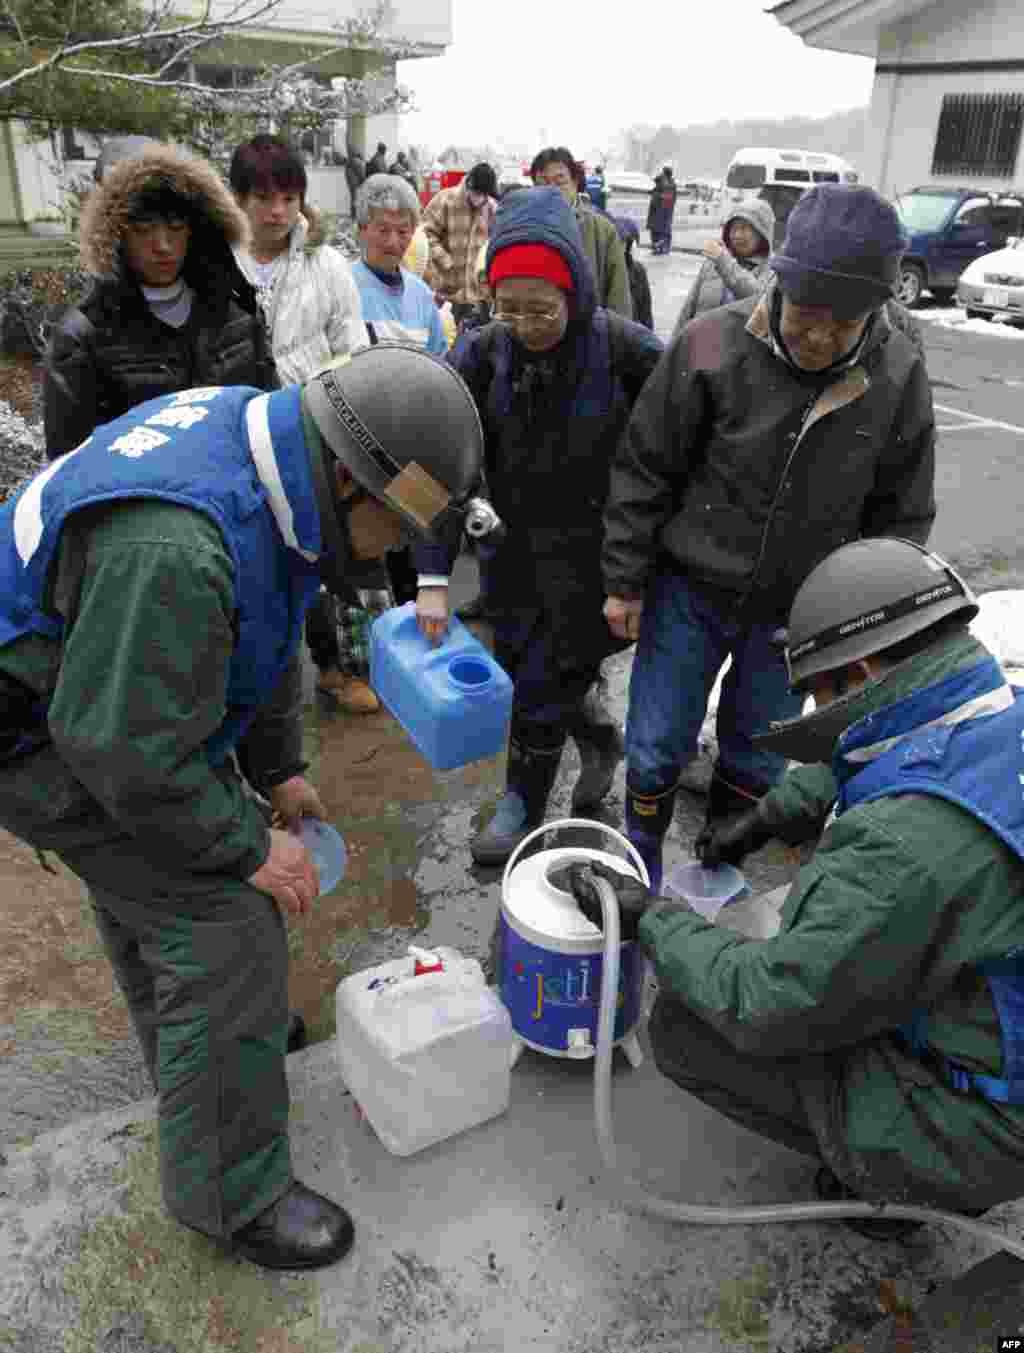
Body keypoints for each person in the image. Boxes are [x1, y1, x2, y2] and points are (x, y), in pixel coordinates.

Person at [0, 346, 485, 1270]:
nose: (398, 552)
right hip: (42, 726)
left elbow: (261, 615)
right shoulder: (179, 544)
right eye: (398, 524)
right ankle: (232, 1191)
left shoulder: (273, 450)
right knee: (225, 922)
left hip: (97, 686)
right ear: (350, 477)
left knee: (162, 898)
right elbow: (125, 755)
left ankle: (208, 1065)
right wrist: (245, 843)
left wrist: (279, 766)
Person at [565, 537, 1024, 1239]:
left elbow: (768, 1000)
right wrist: (760, 821)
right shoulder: (994, 708)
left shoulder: (901, 850)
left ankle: (913, 1180)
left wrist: (652, 917)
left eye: (821, 692)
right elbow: (872, 756)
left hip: (994, 1124)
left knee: (688, 1030)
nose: (815, 706)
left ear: (863, 672)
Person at [603, 184, 937, 892]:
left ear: (875, 312)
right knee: (658, 736)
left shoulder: (898, 376)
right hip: (689, 588)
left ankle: (719, 861)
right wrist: (625, 579)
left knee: (759, 749)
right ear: (779, 283)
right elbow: (646, 466)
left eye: (841, 327)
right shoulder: (709, 345)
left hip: (798, 615)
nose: (818, 338)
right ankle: (640, 851)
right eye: (806, 316)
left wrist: (871, 630)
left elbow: (901, 516)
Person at [414, 186, 664, 865]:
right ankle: (597, 737)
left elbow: (685, 436)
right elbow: (438, 461)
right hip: (511, 553)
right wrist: (432, 573)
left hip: (596, 562)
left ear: (576, 293)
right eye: (508, 306)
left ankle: (521, 803)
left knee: (542, 685)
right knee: (528, 668)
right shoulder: (482, 353)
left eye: (541, 308)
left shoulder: (625, 351)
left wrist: (649, 559)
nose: (524, 324)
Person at [228, 133, 375, 713]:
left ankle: (348, 667)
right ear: (238, 199)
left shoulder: (325, 262)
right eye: (263, 197)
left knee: (344, 556)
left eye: (289, 197)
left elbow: (351, 342)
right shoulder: (217, 264)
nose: (278, 211)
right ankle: (262, 681)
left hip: (316, 428)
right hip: (242, 432)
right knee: (261, 562)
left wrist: (337, 405)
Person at [44, 144, 275, 459]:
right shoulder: (82, 337)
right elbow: (68, 465)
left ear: (197, 230)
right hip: (139, 503)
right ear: (117, 235)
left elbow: (268, 425)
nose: (163, 245)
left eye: (176, 227)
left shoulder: (238, 315)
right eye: (143, 230)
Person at [531, 146, 632, 319]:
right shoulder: (525, 230)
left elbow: (618, 298)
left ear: (575, 182)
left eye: (560, 181)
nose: (552, 190)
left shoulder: (603, 230)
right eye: (543, 183)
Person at [670, 199, 775, 335]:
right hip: (701, 348)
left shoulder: (773, 270)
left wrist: (723, 261)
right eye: (733, 229)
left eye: (744, 228)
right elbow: (688, 310)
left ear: (761, 232)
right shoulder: (713, 263)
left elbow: (758, 302)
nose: (737, 235)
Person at [422, 162, 499, 330]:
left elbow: (495, 244)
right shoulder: (445, 200)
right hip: (446, 294)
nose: (481, 199)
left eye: (485, 195)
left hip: (478, 297)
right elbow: (425, 234)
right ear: (469, 185)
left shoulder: (492, 208)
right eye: (478, 193)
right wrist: (446, 261)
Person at [612, 215, 654, 331]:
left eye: (623, 243)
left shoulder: (638, 271)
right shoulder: (605, 269)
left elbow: (645, 314)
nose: (620, 247)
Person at [646, 166, 677, 256]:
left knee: (657, 232)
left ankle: (659, 248)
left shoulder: (664, 185)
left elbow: (658, 199)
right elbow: (672, 199)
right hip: (666, 214)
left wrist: (655, 194)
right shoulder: (672, 185)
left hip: (659, 213)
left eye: (662, 172)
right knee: (664, 232)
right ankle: (663, 248)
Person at [343, 144, 366, 221]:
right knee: (356, 200)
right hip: (356, 184)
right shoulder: (356, 161)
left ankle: (353, 216)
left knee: (353, 199)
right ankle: (355, 217)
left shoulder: (349, 161)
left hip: (352, 184)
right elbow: (362, 174)